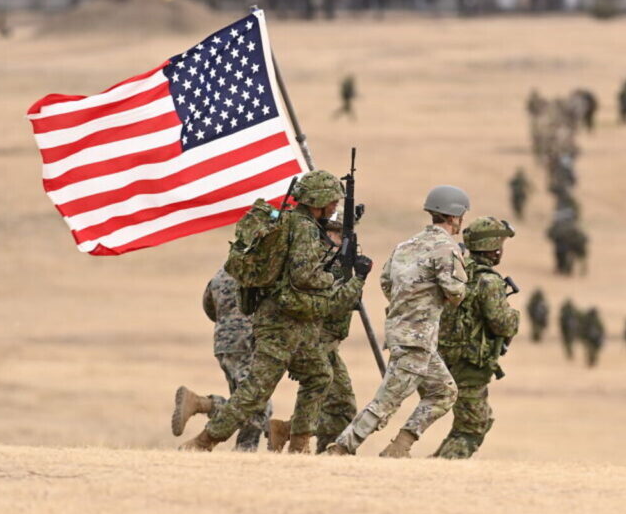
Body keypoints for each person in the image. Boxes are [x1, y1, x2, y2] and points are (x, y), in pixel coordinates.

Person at [179, 170, 371, 453]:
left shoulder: (293, 222)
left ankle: (298, 444)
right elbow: (304, 276)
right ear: (317, 200)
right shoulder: (304, 228)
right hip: (280, 323)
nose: (334, 207)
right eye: (331, 201)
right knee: (255, 392)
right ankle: (203, 442)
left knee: (319, 375)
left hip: (298, 321)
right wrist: (334, 278)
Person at [327, 186, 470, 458]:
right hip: (417, 338)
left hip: (405, 334)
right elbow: (456, 293)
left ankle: (399, 448)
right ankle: (342, 447)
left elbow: (386, 283)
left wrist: (408, 304)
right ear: (454, 216)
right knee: (388, 400)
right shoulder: (447, 249)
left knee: (444, 392)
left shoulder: (406, 245)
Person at [267, 213, 359, 454]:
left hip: (328, 343)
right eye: (337, 234)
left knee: (339, 406)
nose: (342, 240)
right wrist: (356, 281)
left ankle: (290, 432)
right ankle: (298, 438)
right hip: (318, 341)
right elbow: (333, 303)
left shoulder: (335, 261)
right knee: (339, 405)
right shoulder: (320, 263)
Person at [433, 217, 519, 459]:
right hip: (469, 364)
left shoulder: (458, 271)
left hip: (447, 357)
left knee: (476, 420)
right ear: (493, 248)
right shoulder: (488, 281)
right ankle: (443, 468)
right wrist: (515, 316)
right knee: (473, 426)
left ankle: (438, 463)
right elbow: (502, 323)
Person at [170, 268, 273, 451]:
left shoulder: (221, 274)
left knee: (244, 400)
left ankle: (244, 449)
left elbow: (209, 307)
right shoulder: (261, 270)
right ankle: (203, 405)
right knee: (255, 402)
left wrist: (227, 320)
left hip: (224, 342)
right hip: (248, 340)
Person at [547, 210, 588, 276]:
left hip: (568, 243)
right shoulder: (573, 226)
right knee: (576, 257)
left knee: (562, 255)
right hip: (575, 243)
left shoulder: (559, 226)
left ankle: (564, 269)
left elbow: (551, 234)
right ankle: (567, 269)